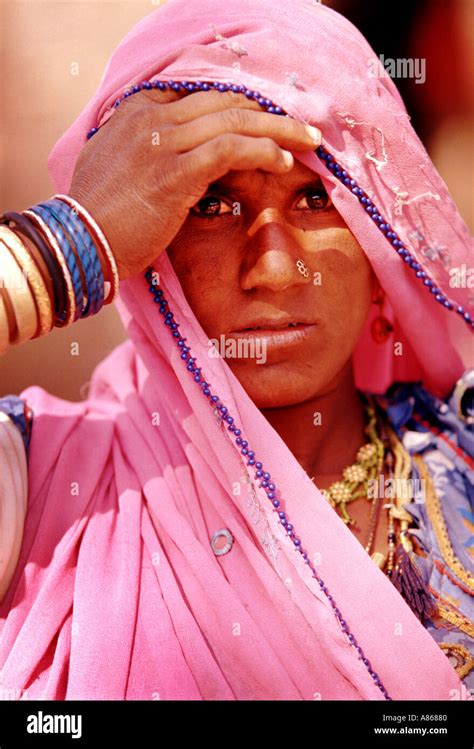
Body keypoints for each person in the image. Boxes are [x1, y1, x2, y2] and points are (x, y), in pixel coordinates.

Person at [0, 0, 472, 701]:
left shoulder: (459, 468)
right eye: (212, 205)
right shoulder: (41, 483)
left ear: (383, 252)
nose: (275, 269)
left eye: (318, 199)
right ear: (148, 250)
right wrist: (70, 241)